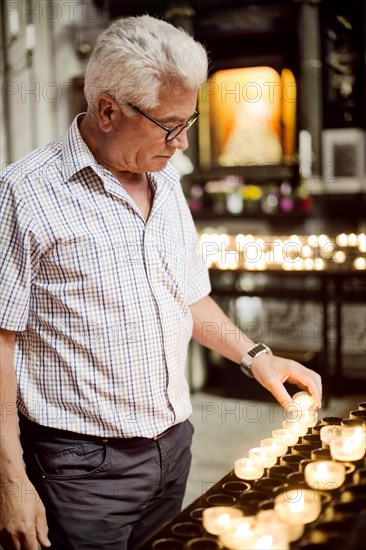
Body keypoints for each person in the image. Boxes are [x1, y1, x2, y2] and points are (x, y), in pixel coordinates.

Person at [0, 14, 322, 550]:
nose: (184, 143)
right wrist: (10, 479)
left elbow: (191, 300)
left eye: (190, 122)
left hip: (174, 447)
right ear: (108, 110)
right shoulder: (22, 194)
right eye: (171, 125)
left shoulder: (166, 180)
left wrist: (257, 356)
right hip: (80, 468)